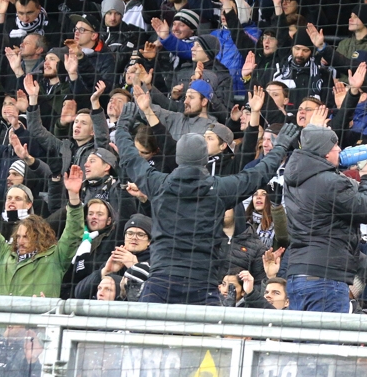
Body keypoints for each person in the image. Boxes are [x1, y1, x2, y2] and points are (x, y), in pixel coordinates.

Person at [114, 101, 299, 305]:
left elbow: (130, 158)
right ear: (204, 158)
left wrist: (122, 127)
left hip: (161, 282)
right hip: (201, 285)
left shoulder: (158, 184)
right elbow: (258, 174)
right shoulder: (218, 189)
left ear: (177, 157)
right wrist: (280, 146)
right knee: (209, 336)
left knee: (143, 334)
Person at [282, 122, 367, 312]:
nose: (340, 149)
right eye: (335, 146)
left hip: (297, 274)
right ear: (325, 152)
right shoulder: (330, 182)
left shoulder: (295, 176)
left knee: (302, 340)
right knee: (325, 341)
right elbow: (365, 210)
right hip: (325, 278)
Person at [0, 165, 85, 297]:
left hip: (40, 317)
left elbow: (73, 233)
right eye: (18, 236)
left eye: (26, 237)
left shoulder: (56, 258)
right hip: (1, 317)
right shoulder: (4, 253)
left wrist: (74, 196)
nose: (20, 241)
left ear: (39, 237)